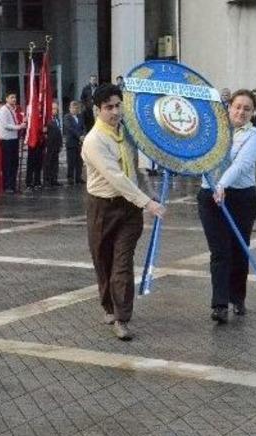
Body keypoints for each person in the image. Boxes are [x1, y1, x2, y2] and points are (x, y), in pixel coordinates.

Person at [82, 84, 165, 340]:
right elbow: (116, 177)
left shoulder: (126, 133)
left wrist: (148, 193)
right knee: (103, 259)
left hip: (129, 209)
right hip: (102, 207)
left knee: (122, 263)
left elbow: (135, 170)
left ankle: (122, 317)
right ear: (97, 110)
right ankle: (108, 305)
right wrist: (148, 203)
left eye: (118, 106)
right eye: (109, 107)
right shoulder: (94, 141)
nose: (115, 112)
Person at [198, 89, 256, 324]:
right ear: (229, 107)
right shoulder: (213, 132)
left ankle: (238, 296)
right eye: (237, 106)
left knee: (239, 249)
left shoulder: (254, 135)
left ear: (253, 112)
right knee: (220, 251)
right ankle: (220, 304)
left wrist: (222, 184)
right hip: (210, 198)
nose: (241, 112)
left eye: (247, 108)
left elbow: (241, 165)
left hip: (241, 199)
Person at [0, 92, 26, 193]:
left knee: (14, 163)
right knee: (7, 163)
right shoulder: (3, 110)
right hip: (6, 140)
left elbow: (15, 121)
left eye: (15, 97)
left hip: (14, 139)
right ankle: (7, 186)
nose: (14, 99)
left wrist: (22, 123)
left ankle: (12, 184)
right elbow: (5, 125)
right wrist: (19, 127)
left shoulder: (13, 109)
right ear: (7, 99)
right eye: (12, 97)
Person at [64, 101, 85, 184]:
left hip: (79, 143)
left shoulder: (80, 116)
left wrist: (83, 135)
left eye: (77, 108)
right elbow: (70, 128)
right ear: (70, 108)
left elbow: (83, 127)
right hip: (71, 143)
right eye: (73, 108)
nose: (75, 110)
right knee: (71, 161)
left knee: (79, 162)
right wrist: (79, 136)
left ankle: (78, 178)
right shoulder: (67, 117)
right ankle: (70, 178)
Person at [44, 102, 63, 186]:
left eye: (56, 109)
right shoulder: (47, 120)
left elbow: (59, 133)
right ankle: (47, 180)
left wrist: (61, 144)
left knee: (55, 162)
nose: (55, 110)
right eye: (53, 109)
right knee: (48, 162)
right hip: (49, 144)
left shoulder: (57, 120)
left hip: (56, 144)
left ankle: (54, 179)